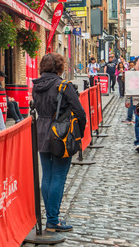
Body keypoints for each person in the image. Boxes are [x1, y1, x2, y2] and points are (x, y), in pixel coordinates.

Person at [33, 53, 86, 233]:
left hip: (41, 131)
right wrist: (80, 134)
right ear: (60, 67)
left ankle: (51, 217)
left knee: (47, 175)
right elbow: (80, 113)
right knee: (58, 176)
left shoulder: (37, 85)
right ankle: (53, 219)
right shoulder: (63, 86)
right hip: (61, 134)